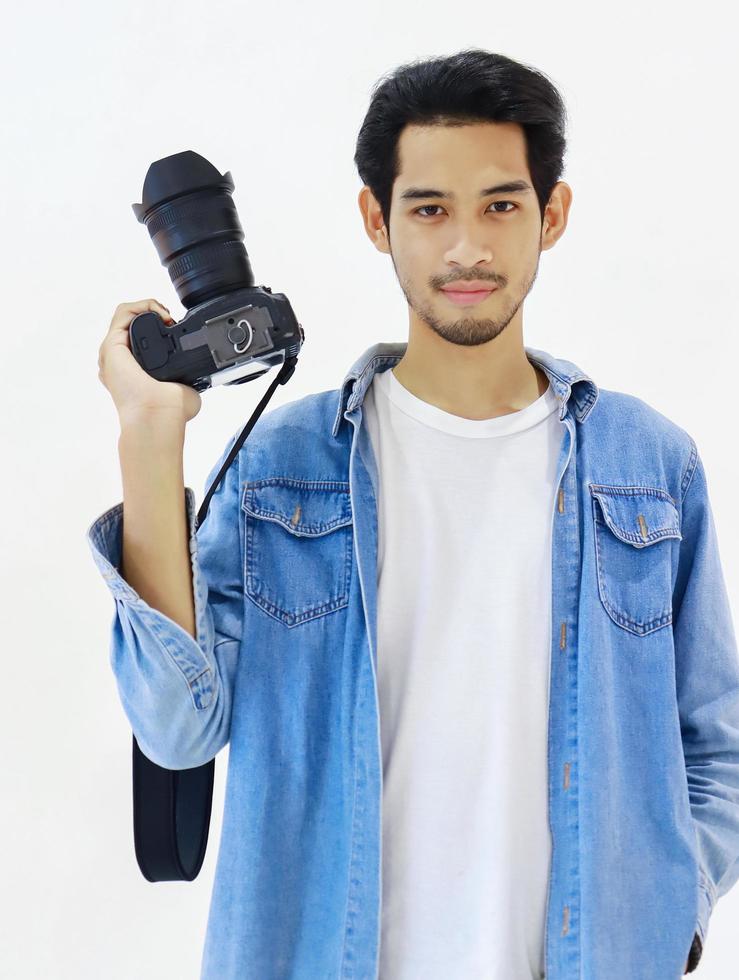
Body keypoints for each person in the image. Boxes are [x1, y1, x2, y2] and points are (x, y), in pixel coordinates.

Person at [88, 48, 733, 978]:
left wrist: (676, 906)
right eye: (429, 209)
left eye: (500, 205)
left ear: (550, 216)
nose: (466, 246)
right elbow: (177, 729)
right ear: (375, 218)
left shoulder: (648, 465)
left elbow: (716, 743)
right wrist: (149, 433)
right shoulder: (282, 467)